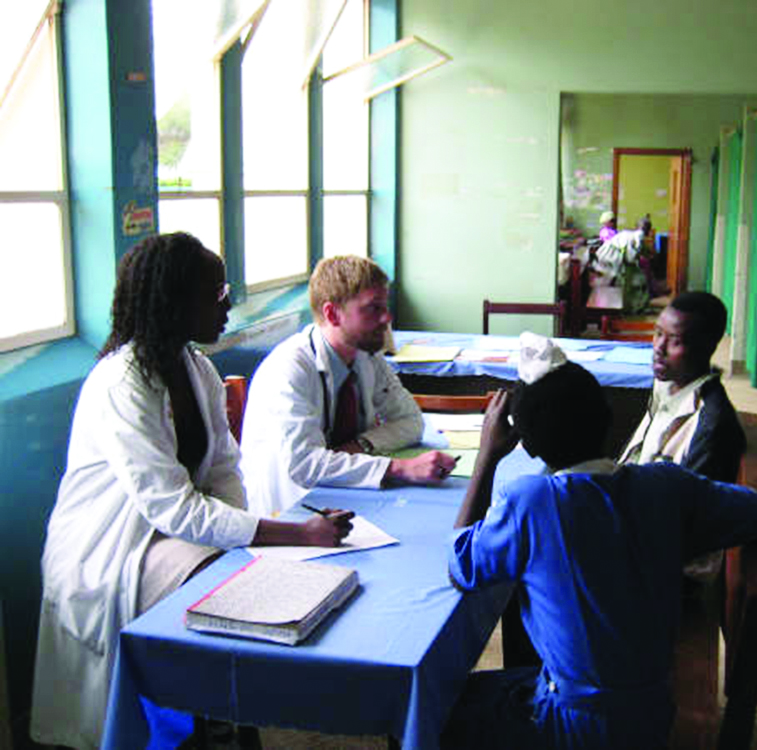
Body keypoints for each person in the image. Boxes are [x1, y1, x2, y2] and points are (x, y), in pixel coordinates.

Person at [31, 233, 353, 750]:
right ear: (174, 299)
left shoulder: (195, 366)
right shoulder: (123, 383)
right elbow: (172, 506)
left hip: (165, 535)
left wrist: (246, 545)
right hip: (111, 550)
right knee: (219, 589)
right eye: (216, 291)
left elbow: (225, 467)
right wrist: (289, 533)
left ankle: (217, 715)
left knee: (240, 580)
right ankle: (211, 719)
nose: (228, 303)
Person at [442, 340, 757, 750]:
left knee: (436, 704)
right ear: (607, 420)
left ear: (525, 445)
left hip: (574, 726)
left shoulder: (532, 502)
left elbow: (461, 566)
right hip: (653, 711)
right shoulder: (666, 484)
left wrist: (486, 458)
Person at [239, 256, 457, 517]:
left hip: (346, 498)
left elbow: (411, 422)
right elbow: (305, 465)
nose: (387, 317)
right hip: (289, 512)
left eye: (384, 305)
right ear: (332, 314)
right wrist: (400, 468)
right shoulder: (289, 369)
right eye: (373, 308)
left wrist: (361, 445)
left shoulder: (365, 354)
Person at [619, 291, 745, 483]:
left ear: (707, 347)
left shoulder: (711, 425)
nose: (659, 348)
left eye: (675, 340)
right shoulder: (665, 386)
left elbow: (689, 505)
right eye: (658, 333)